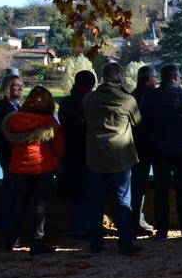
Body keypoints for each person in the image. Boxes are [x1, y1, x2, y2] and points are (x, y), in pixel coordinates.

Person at [83, 61, 142, 255]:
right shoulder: (128, 100)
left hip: (96, 156)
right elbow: (138, 122)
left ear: (103, 77)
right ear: (120, 77)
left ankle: (95, 243)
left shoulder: (89, 99)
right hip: (121, 157)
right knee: (123, 200)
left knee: (96, 201)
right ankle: (124, 242)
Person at [142, 63, 182, 240]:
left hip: (158, 150)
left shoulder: (149, 97)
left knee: (161, 191)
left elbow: (143, 125)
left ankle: (162, 231)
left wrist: (147, 147)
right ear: (176, 77)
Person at [2, 86, 64, 254]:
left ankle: (11, 240)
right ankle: (37, 242)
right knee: (40, 205)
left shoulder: (15, 120)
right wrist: (59, 159)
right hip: (43, 167)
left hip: (19, 167)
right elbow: (59, 147)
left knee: (19, 204)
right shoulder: (49, 123)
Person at [57, 69, 95, 239]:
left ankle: (81, 227)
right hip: (85, 152)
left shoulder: (66, 102)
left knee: (78, 193)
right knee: (85, 191)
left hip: (70, 153)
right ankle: (85, 228)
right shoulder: (87, 103)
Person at [0, 74, 23, 241]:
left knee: (15, 192)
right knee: (9, 191)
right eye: (16, 85)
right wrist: (6, 149)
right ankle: (6, 232)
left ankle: (12, 232)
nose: (21, 88)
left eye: (21, 85)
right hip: (9, 158)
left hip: (19, 157)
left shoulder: (17, 107)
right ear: (8, 88)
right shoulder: (1, 108)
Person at [130, 65, 157, 235]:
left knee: (137, 184)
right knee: (140, 185)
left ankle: (137, 219)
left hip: (134, 146)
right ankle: (136, 222)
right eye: (155, 77)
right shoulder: (151, 96)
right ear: (148, 79)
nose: (157, 80)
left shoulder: (132, 95)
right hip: (147, 146)